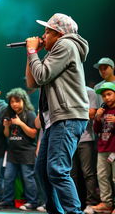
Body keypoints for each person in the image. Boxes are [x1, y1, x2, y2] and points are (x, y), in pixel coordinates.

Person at [25, 13, 89, 214]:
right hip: (55, 119)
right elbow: (32, 82)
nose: (43, 36)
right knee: (42, 172)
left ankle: (73, 212)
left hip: (67, 117)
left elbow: (42, 75)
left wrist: (33, 50)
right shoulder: (54, 52)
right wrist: (31, 54)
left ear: (59, 33)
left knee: (57, 170)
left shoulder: (66, 45)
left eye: (47, 32)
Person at [0, 87, 38, 211]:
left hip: (26, 152)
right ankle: (7, 200)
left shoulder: (30, 114)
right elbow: (7, 135)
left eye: (17, 101)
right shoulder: (9, 114)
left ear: (24, 101)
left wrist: (20, 123)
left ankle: (32, 202)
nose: (14, 104)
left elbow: (33, 134)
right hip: (12, 152)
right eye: (12, 101)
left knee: (28, 178)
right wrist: (7, 127)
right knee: (8, 177)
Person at [71, 86, 100, 214]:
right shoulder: (69, 89)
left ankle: (91, 203)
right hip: (70, 138)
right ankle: (74, 203)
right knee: (72, 174)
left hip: (86, 137)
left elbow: (92, 113)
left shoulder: (90, 92)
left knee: (88, 173)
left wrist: (72, 111)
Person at [91, 82, 115, 214]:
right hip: (103, 149)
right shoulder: (103, 110)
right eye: (104, 96)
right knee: (102, 176)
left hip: (114, 149)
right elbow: (96, 130)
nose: (107, 98)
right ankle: (106, 203)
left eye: (109, 94)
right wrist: (97, 118)